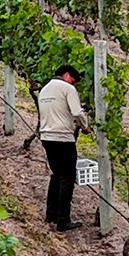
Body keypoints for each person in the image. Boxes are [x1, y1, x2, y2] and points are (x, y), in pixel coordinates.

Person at [37, 64, 90, 232]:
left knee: (56, 175)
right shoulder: (67, 88)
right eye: (73, 80)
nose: (73, 84)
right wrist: (85, 127)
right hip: (63, 139)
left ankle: (51, 214)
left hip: (47, 138)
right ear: (67, 75)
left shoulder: (44, 90)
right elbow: (77, 112)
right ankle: (63, 221)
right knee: (67, 178)